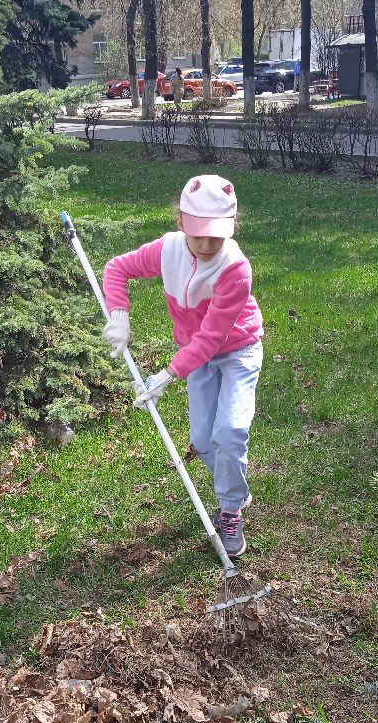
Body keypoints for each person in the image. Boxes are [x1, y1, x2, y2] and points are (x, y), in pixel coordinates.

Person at [101, 175, 264, 557]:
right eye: (198, 235)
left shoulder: (235, 269)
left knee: (231, 431)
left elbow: (212, 337)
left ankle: (230, 509)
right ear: (180, 223)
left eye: (217, 236)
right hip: (196, 355)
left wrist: (168, 374)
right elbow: (115, 269)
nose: (207, 246)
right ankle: (236, 486)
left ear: (232, 227)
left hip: (237, 351)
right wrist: (119, 314)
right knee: (206, 442)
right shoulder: (167, 249)